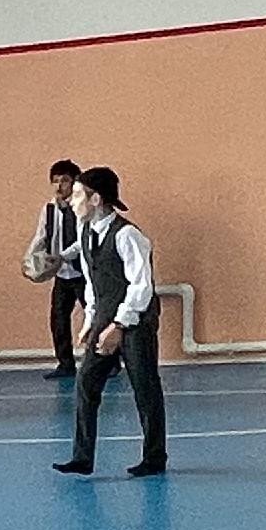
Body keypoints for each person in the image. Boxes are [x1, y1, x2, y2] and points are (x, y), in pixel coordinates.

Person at [52, 168, 166, 479]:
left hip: (136, 321)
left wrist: (119, 325)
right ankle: (82, 457)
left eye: (78, 195)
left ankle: (154, 456)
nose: (71, 200)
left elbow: (141, 286)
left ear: (96, 199)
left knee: (145, 387)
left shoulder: (128, 235)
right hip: (105, 318)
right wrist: (90, 319)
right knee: (86, 383)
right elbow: (92, 282)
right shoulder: (85, 232)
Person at [21, 159, 85, 376]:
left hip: (82, 272)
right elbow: (40, 236)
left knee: (95, 317)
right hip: (62, 274)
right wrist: (29, 260)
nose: (59, 185)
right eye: (55, 181)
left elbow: (83, 240)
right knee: (58, 319)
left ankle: (109, 361)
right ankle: (65, 363)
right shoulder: (48, 209)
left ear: (75, 182)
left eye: (64, 180)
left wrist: (63, 256)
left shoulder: (82, 207)